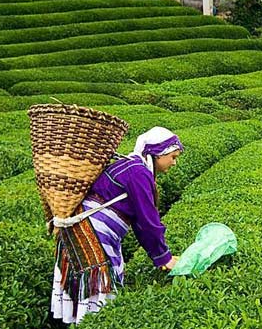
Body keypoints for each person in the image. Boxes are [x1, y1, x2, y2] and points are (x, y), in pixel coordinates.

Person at [51, 126, 184, 324]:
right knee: (97, 287)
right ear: (157, 154)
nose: (175, 162)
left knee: (82, 284)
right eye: (173, 157)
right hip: (94, 232)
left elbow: (143, 221)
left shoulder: (131, 166)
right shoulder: (138, 173)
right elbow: (147, 220)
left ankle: (77, 322)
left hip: (84, 229)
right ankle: (92, 323)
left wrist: (160, 255)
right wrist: (163, 257)